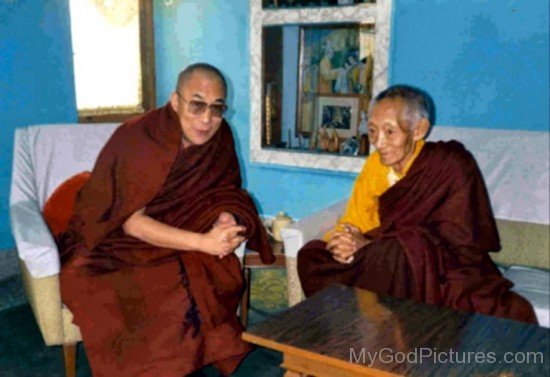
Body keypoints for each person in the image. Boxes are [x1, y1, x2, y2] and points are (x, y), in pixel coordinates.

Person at [59, 63, 274, 376]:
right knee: (115, 293)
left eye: (217, 109)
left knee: (200, 273)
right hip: (113, 237)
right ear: (175, 101)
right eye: (197, 105)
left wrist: (225, 220)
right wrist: (203, 242)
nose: (207, 119)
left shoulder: (221, 135)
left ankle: (185, 360)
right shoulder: (137, 138)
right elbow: (130, 222)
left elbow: (225, 190)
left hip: (176, 230)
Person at [297, 85, 537, 324]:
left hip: (444, 263)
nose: (379, 142)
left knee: (397, 252)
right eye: (372, 131)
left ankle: (404, 337)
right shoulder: (375, 166)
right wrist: (344, 241)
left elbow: (460, 238)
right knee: (311, 255)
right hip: (381, 254)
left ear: (418, 129)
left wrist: (369, 245)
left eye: (389, 132)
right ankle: (343, 342)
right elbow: (356, 219)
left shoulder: (450, 163)